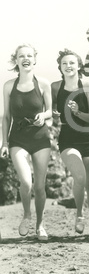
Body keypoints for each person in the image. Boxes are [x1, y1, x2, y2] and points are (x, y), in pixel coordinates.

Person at [0, 44, 52, 240]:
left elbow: (50, 112)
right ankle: (27, 215)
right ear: (16, 60)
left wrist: (43, 115)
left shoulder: (44, 84)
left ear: (35, 59)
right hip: (18, 139)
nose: (26, 58)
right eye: (21, 56)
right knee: (26, 181)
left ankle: (40, 225)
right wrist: (4, 143)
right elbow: (5, 118)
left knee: (39, 186)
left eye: (29, 55)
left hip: (40, 138)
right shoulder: (8, 86)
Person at [51, 49, 89, 236]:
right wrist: (54, 112)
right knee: (80, 177)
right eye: (64, 63)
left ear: (79, 66)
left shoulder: (87, 85)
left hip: (88, 136)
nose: (68, 66)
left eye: (72, 63)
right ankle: (79, 214)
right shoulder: (55, 86)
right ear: (60, 67)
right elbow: (49, 106)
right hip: (67, 137)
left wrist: (78, 112)